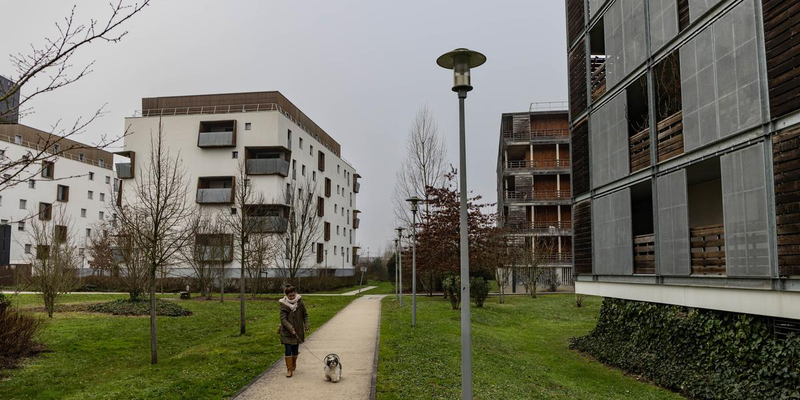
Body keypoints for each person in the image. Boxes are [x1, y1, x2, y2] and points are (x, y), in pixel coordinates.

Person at [279, 285, 310, 378]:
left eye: (293, 295)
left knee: (295, 350)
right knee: (288, 349)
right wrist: (290, 329)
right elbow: (283, 319)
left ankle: (293, 363)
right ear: (287, 296)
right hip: (287, 332)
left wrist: (307, 325)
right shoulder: (283, 305)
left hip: (298, 331)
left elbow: (305, 315)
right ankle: (289, 369)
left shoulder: (300, 302)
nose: (292, 297)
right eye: (290, 296)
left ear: (295, 294)